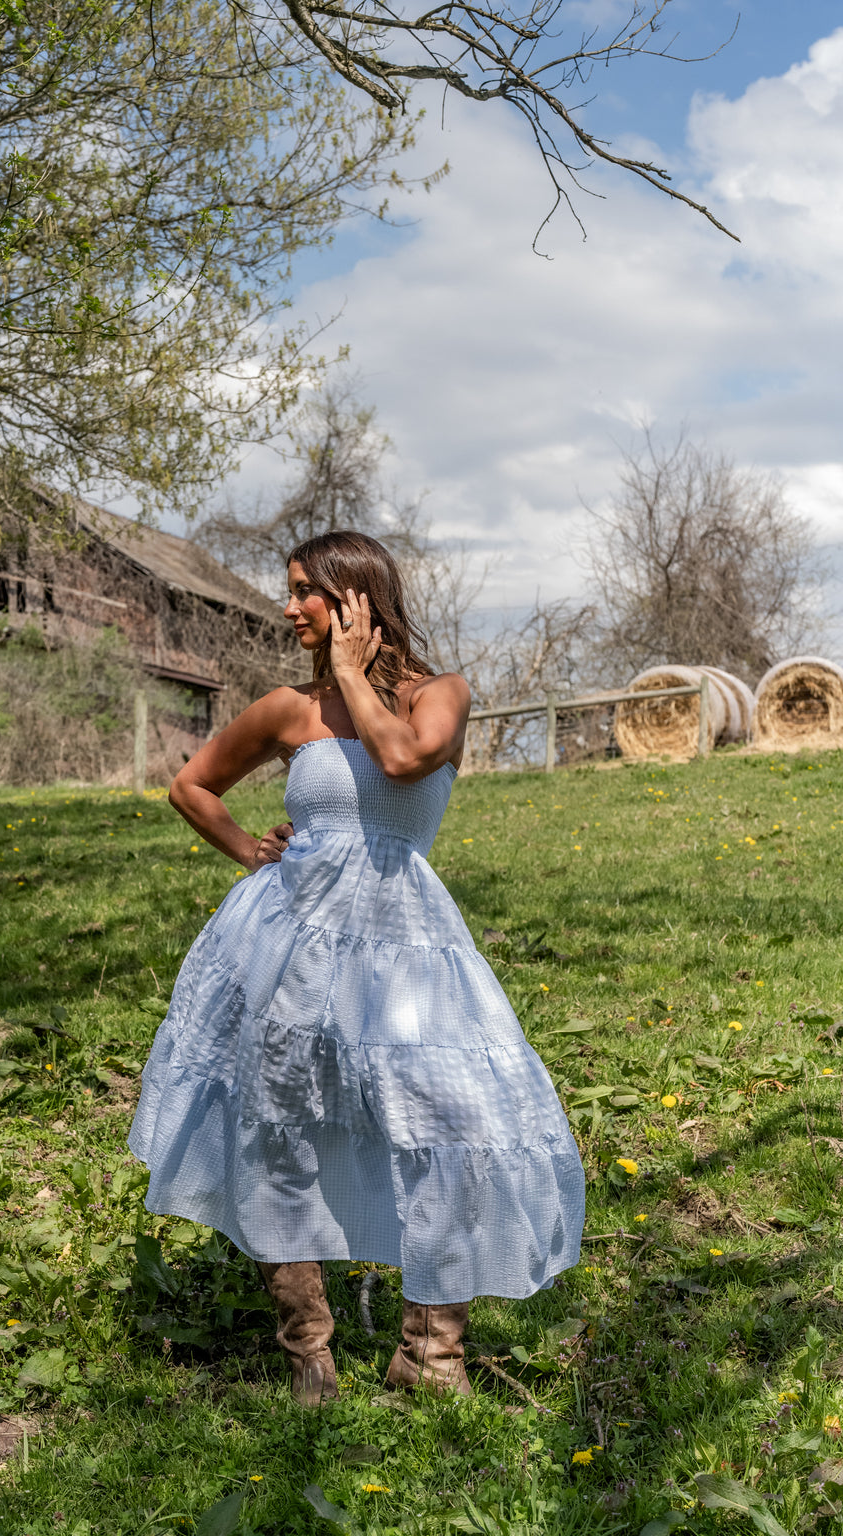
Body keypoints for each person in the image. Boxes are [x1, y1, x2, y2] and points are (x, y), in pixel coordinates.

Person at [128, 530, 585, 1404]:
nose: (289, 606)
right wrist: (251, 857)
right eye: (290, 589)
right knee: (281, 1124)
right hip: (287, 947)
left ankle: (429, 1357)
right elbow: (192, 786)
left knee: (448, 1122)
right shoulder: (287, 711)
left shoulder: (440, 696)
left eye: (306, 591)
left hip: (408, 947)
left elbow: (405, 758)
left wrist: (348, 677)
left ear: (358, 600)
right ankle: (310, 1353)